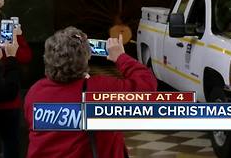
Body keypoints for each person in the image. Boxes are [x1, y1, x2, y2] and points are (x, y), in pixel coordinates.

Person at [24, 26, 157, 158]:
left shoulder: (35, 92)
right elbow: (147, 85)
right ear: (85, 59)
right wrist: (120, 57)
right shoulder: (100, 90)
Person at [0, 0, 33, 158]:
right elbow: (25, 57)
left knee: (11, 141)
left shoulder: (11, 40)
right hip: (9, 101)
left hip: (10, 104)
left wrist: (18, 38)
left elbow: (25, 57)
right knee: (11, 140)